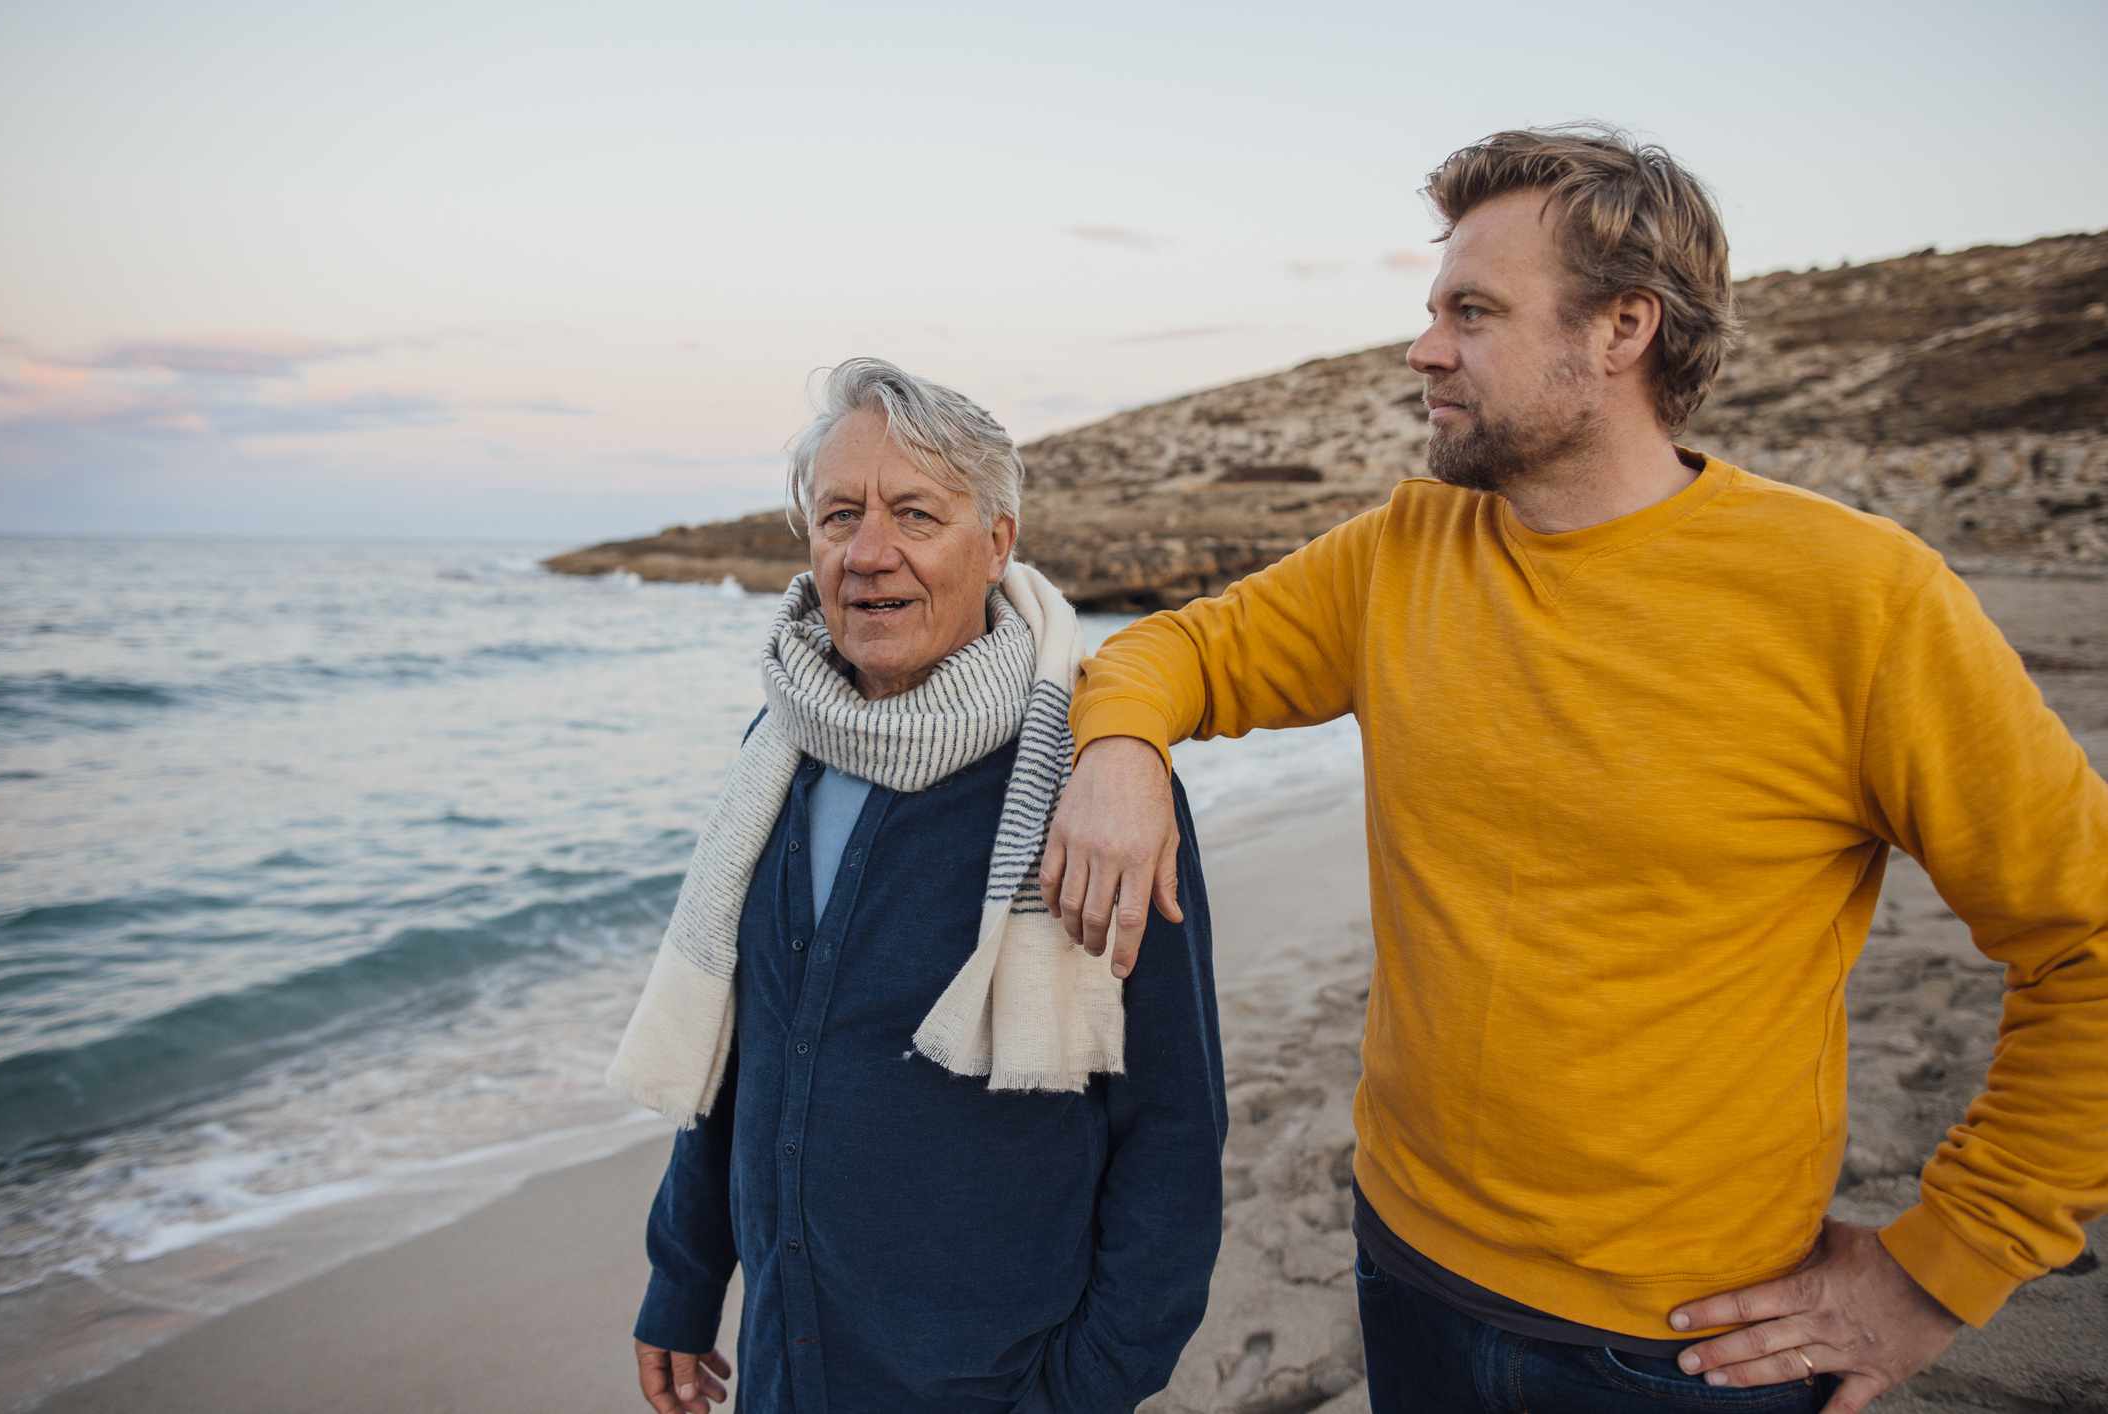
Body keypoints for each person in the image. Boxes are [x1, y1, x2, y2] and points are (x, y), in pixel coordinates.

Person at [1041, 125, 2108, 1414]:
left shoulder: (1859, 599)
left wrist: (1938, 1271)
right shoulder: (1409, 545)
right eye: (1431, 308)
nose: (1421, 348)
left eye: (1471, 312)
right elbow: (1180, 645)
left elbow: (2085, 938)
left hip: (1686, 1347)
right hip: (1403, 1266)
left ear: (1622, 329)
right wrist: (1115, 752)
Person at [607, 357, 1227, 1414]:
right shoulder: (779, 745)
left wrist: (1080, 1391)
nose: (868, 553)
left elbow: (1172, 1128)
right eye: (838, 512)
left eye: (915, 514)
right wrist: (683, 1274)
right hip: (788, 1366)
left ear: (996, 542)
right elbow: (741, 1043)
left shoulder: (1093, 783)